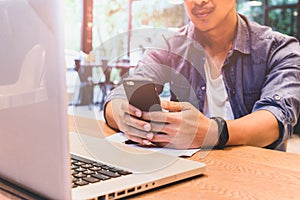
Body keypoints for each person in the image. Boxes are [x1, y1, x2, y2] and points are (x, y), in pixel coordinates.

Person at [104, 0, 300, 151]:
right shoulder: (169, 45)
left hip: (253, 176)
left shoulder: (279, 49)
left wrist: (214, 132)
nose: (198, 2)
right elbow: (118, 97)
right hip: (186, 173)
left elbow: (276, 118)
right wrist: (126, 119)